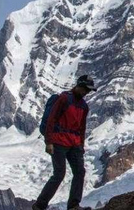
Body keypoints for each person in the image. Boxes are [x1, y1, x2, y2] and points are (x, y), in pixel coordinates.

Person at [33, 75, 95, 210]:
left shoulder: (84, 106)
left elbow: (82, 127)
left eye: (88, 91)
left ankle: (73, 206)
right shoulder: (64, 98)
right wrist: (48, 141)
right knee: (59, 174)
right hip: (58, 142)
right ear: (78, 85)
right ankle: (39, 205)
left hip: (74, 144)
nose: (86, 92)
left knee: (80, 172)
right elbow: (52, 120)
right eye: (85, 89)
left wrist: (81, 145)